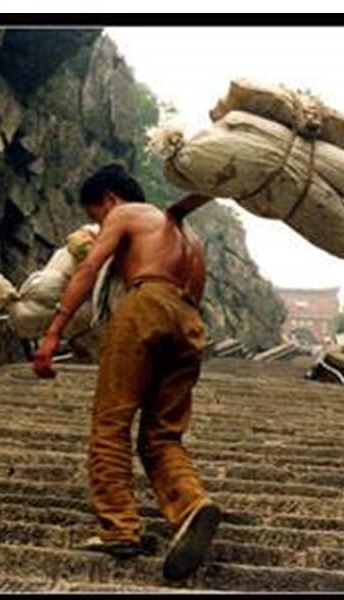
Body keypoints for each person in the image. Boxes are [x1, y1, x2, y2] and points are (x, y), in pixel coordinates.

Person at [32, 163, 221, 581]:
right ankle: (192, 506)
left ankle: (119, 527)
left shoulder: (126, 214)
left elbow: (87, 269)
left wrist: (53, 332)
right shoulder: (190, 237)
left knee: (111, 421)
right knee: (161, 435)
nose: (101, 223)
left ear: (111, 200)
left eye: (97, 214)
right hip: (189, 322)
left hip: (146, 307)